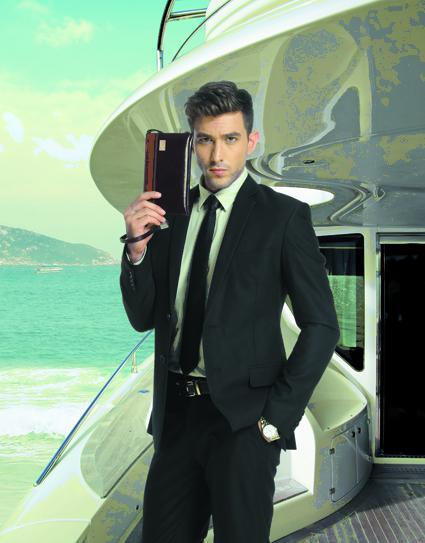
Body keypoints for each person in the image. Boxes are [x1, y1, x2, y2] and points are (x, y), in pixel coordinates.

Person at [120, 80, 340, 543]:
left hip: (245, 425)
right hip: (176, 420)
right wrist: (137, 247)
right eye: (205, 139)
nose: (217, 154)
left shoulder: (283, 217)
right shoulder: (169, 216)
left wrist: (275, 420)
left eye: (230, 138)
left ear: (251, 141)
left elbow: (321, 326)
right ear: (192, 143)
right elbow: (143, 318)